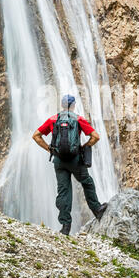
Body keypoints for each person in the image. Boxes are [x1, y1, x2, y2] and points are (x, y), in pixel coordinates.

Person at [32, 94, 108, 235]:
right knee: (87, 182)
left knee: (63, 191)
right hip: (75, 160)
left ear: (62, 105)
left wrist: (50, 149)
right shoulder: (78, 119)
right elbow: (96, 136)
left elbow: (36, 136)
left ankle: (65, 226)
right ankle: (97, 209)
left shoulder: (53, 119)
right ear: (73, 106)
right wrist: (84, 147)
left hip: (59, 161)